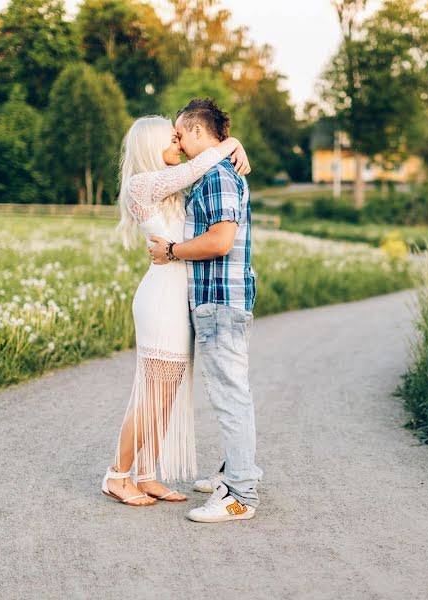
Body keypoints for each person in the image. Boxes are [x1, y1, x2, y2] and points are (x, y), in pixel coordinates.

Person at [101, 115, 250, 507]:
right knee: (152, 392)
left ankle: (147, 474)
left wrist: (230, 146)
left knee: (167, 393)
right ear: (152, 145)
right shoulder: (142, 185)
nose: (179, 145)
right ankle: (117, 475)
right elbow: (200, 164)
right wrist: (231, 144)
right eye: (172, 139)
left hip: (178, 295)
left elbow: (200, 173)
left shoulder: (174, 189)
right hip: (160, 297)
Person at [148, 98, 262, 522]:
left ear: (199, 132)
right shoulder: (215, 172)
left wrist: (173, 251)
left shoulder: (215, 176)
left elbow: (220, 241)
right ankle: (237, 472)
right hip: (220, 299)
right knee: (232, 392)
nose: (177, 140)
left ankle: (240, 496)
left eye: (180, 133)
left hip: (220, 301)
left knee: (231, 395)